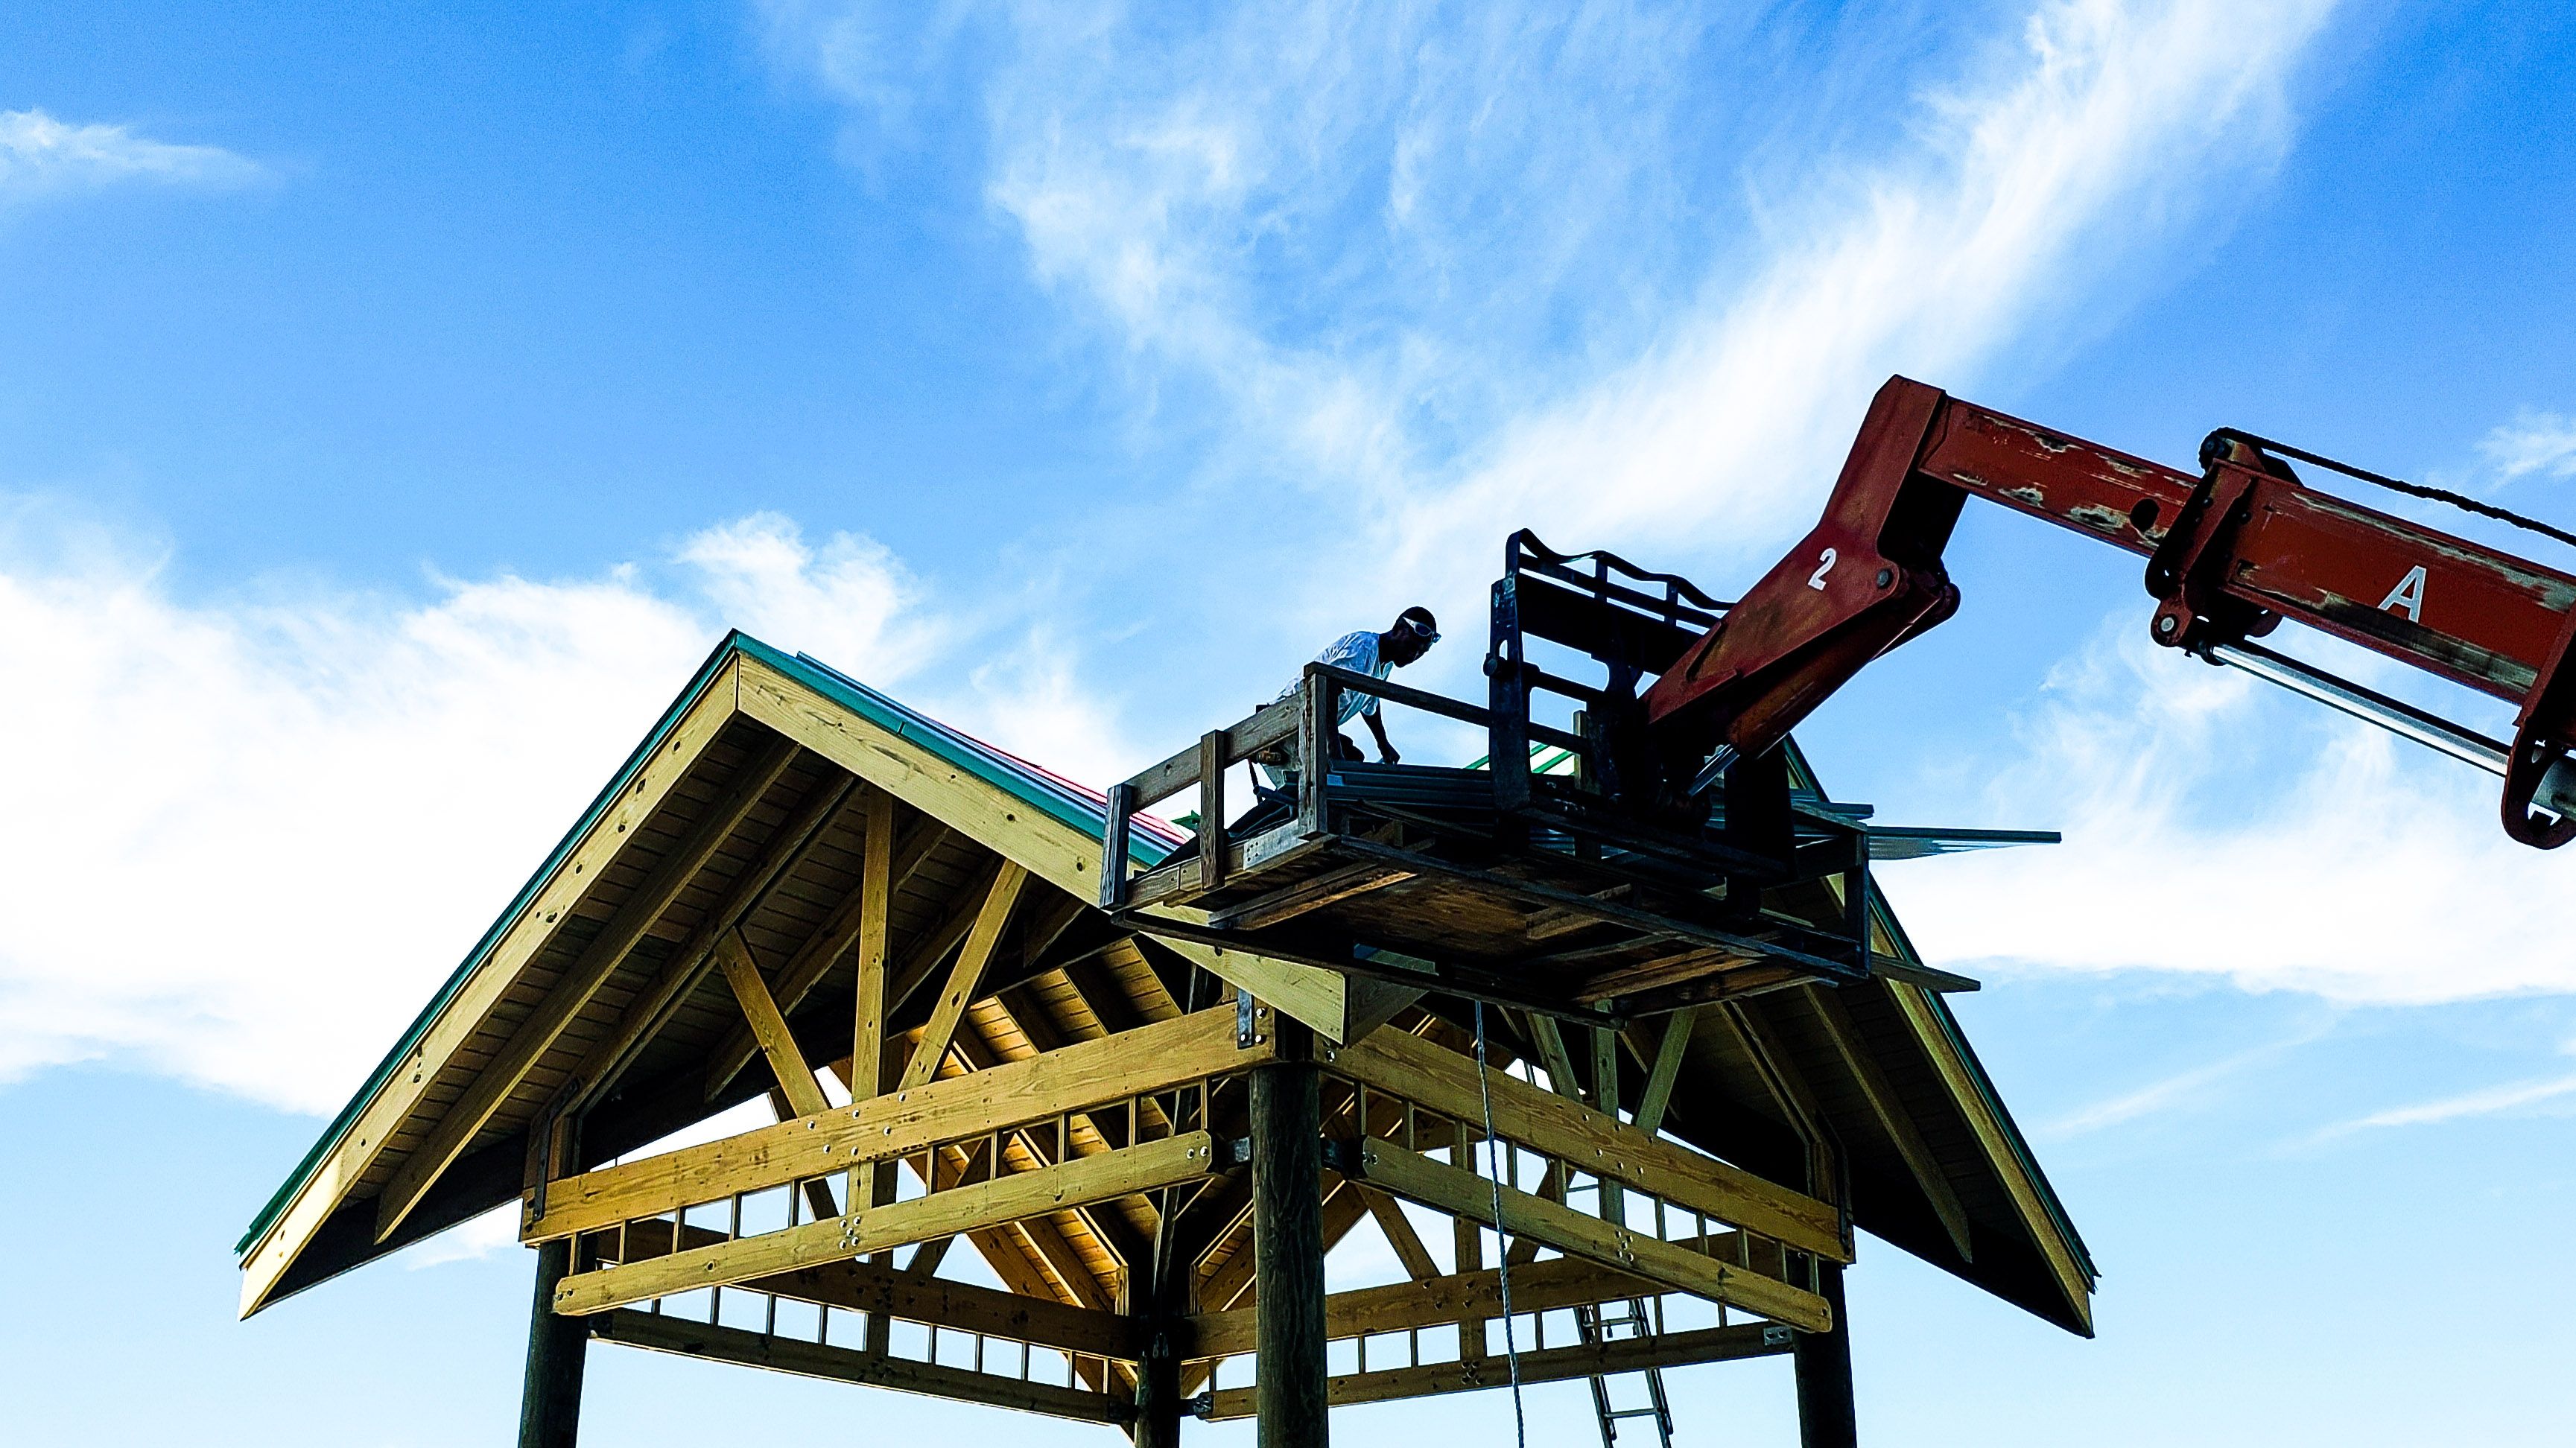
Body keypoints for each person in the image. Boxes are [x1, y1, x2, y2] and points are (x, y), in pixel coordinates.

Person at [1272, 606, 1441, 768]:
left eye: (1421, 653)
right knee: (1336, 768)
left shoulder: (1384, 665)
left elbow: (1370, 705)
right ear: (1398, 630)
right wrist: (1333, 750)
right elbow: (1327, 688)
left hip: (1306, 725)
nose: (1414, 655)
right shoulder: (1363, 647)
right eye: (1412, 647)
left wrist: (1383, 745)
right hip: (1284, 722)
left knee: (1354, 758)